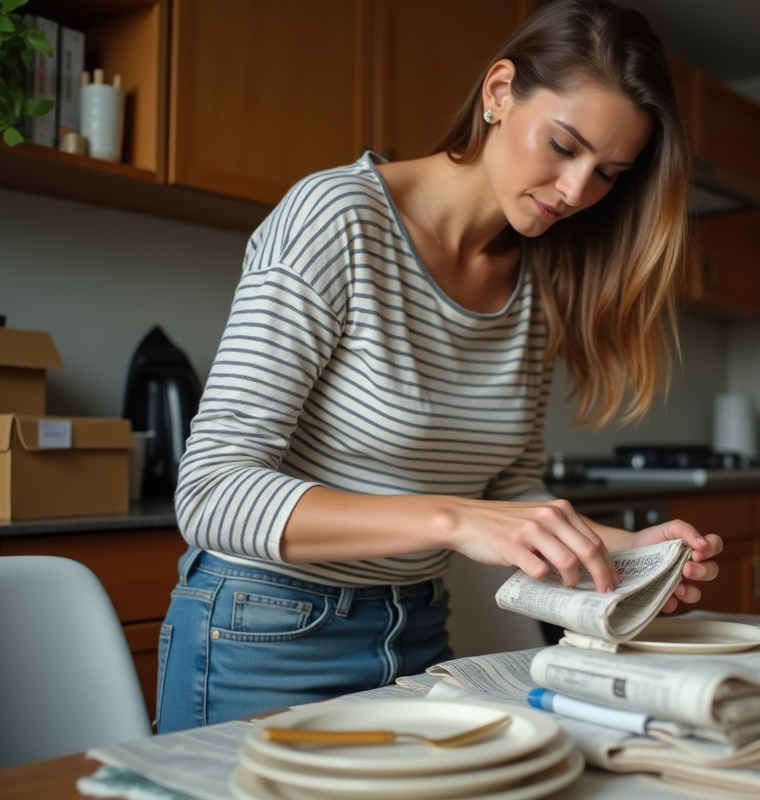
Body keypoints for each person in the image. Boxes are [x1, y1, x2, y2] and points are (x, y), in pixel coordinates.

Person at [156, 0, 723, 733]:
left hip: (418, 632)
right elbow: (210, 494)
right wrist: (453, 521)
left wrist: (623, 551)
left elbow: (507, 489)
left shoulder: (536, 283)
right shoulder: (337, 218)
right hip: (263, 633)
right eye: (562, 145)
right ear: (498, 92)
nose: (578, 191)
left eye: (608, 173)